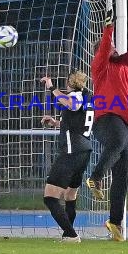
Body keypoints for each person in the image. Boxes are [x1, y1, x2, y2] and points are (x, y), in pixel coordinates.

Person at [85, 9, 128, 241]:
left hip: (126, 125)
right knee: (116, 142)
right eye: (111, 46)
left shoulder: (126, 63)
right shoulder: (100, 67)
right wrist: (108, 29)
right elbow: (104, 47)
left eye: (115, 46)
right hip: (107, 120)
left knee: (123, 175)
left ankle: (115, 224)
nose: (114, 48)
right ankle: (95, 177)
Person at [39, 71, 93, 243]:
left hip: (72, 152)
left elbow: (72, 104)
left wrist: (52, 88)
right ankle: (68, 235)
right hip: (84, 151)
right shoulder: (88, 96)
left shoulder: (76, 96)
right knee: (70, 196)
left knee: (50, 197)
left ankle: (71, 234)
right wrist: (56, 123)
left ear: (70, 83)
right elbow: (78, 119)